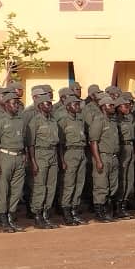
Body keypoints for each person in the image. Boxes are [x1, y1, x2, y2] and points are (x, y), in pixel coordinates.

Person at [0, 91, 27, 233]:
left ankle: (11, 216)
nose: (16, 106)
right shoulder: (0, 121)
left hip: (18, 156)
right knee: (3, 189)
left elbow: (24, 140)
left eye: (17, 103)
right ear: (6, 105)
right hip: (5, 156)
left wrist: (24, 155)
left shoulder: (20, 120)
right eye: (13, 103)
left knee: (16, 190)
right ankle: (2, 221)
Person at [25, 92, 60, 229]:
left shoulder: (53, 120)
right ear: (40, 105)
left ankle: (46, 213)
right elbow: (31, 144)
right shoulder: (35, 121)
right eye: (48, 103)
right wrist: (33, 162)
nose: (50, 105)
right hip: (40, 154)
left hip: (52, 153)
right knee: (40, 186)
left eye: (51, 103)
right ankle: (37, 214)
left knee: (51, 186)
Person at [87, 93, 120, 222]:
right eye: (110, 105)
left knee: (113, 185)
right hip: (103, 157)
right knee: (101, 185)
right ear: (103, 107)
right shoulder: (98, 121)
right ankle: (99, 213)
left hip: (113, 157)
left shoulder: (112, 122)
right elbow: (93, 141)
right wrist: (98, 160)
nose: (113, 107)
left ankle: (108, 211)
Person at [56, 94, 88, 226]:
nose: (78, 106)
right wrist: (62, 160)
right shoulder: (63, 121)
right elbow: (60, 144)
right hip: (69, 153)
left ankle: (75, 209)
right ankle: (66, 212)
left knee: (79, 183)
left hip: (81, 151)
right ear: (68, 106)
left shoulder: (80, 121)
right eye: (75, 104)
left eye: (78, 104)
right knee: (69, 184)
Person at [114, 93, 135, 219]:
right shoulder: (115, 121)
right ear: (118, 107)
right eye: (124, 105)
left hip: (130, 147)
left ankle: (123, 205)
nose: (128, 107)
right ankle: (117, 208)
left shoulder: (129, 119)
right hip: (122, 149)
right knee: (121, 178)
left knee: (129, 177)